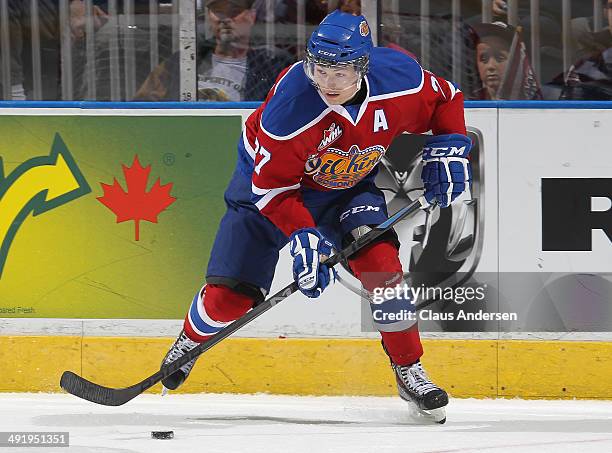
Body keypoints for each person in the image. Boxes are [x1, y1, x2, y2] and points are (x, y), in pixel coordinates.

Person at [160, 10, 472, 423]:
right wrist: (305, 236)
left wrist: (450, 147)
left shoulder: (399, 79)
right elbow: (273, 189)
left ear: (363, 66)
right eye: (321, 69)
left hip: (347, 190)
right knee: (229, 299)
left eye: (341, 72)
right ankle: (190, 340)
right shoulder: (290, 110)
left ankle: (408, 369)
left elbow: (446, 97)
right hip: (269, 193)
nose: (328, 82)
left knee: (385, 276)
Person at [134, 0, 293, 101]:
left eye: (234, 11)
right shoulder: (181, 62)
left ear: (251, 17)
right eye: (219, 12)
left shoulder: (272, 65)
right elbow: (143, 105)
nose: (225, 19)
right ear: (209, 17)